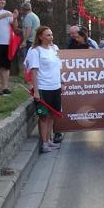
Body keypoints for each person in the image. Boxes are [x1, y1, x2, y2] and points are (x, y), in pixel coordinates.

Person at [25, 26, 63, 154]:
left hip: (55, 87)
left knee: (52, 115)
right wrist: (36, 91)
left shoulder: (54, 49)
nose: (51, 37)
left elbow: (58, 68)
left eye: (51, 34)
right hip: (43, 88)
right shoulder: (35, 51)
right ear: (40, 37)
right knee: (44, 117)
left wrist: (61, 82)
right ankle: (44, 143)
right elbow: (33, 72)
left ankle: (49, 140)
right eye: (48, 35)